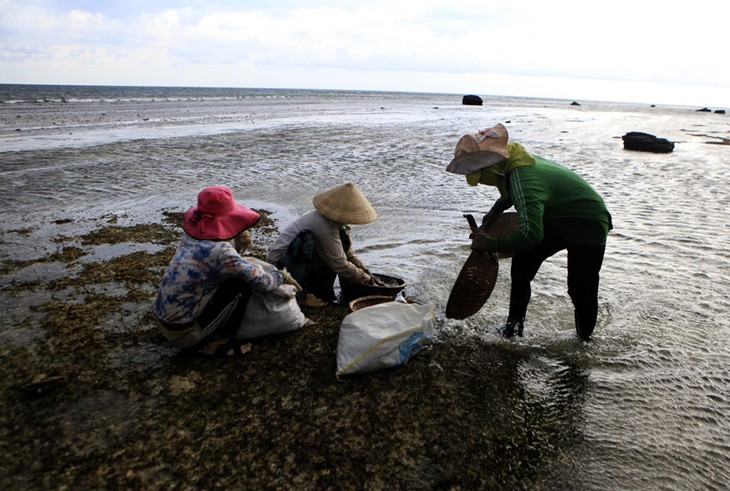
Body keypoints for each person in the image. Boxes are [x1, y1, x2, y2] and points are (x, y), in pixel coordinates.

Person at [446, 123, 612, 341]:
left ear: (491, 169)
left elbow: (531, 234)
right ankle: (513, 330)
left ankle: (584, 344)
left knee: (581, 290)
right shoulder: (515, 159)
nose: (483, 183)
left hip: (589, 222)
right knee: (522, 264)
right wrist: (496, 211)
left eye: (481, 177)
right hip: (558, 216)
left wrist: (489, 244)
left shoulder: (523, 179)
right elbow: (514, 193)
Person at [153, 185, 301, 357]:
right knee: (239, 286)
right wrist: (280, 275)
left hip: (165, 320)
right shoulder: (221, 251)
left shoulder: (191, 236)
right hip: (186, 334)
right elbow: (264, 283)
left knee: (232, 277)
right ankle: (214, 343)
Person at [267, 182, 382, 307]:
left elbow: (348, 254)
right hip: (280, 267)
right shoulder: (323, 226)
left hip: (302, 260)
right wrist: (365, 279)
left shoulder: (334, 223)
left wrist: (364, 270)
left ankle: (318, 289)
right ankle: (300, 296)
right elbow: (340, 264)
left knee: (341, 242)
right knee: (307, 239)